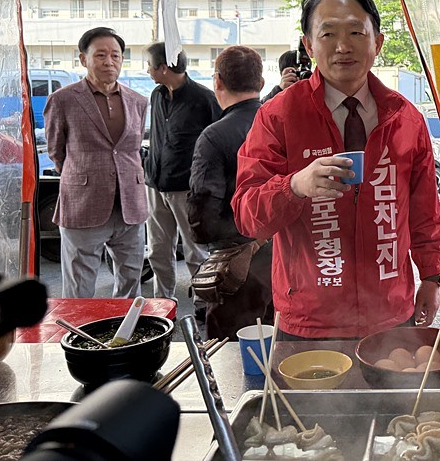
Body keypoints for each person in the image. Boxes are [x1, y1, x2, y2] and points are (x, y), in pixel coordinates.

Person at [233, 0, 440, 339]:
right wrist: (295, 186)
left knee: (394, 397)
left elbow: (424, 212)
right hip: (310, 320)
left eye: (356, 33)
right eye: (328, 33)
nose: (343, 47)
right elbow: (247, 215)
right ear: (309, 45)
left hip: (391, 314)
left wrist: (430, 276)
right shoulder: (279, 116)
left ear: (377, 43)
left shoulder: (405, 118)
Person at [44, 27, 147, 298]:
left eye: (115, 55)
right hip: (83, 203)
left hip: (130, 204)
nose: (109, 61)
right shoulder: (62, 100)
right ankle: (79, 336)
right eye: (100, 55)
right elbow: (57, 152)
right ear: (83, 59)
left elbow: (131, 149)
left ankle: (126, 337)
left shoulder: (138, 101)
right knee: (79, 287)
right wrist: (84, 175)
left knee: (130, 283)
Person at [187, 46, 273, 339]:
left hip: (238, 268)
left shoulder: (214, 136)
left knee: (233, 354)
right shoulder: (280, 125)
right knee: (283, 351)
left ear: (218, 82)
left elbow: (203, 222)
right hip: (288, 261)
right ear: (261, 84)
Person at [144, 43, 221, 304]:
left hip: (187, 188)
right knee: (157, 248)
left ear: (163, 68)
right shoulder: (157, 95)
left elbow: (217, 141)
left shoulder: (204, 98)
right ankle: (161, 302)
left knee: (195, 249)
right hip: (155, 184)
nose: (147, 70)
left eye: (149, 65)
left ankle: (203, 302)